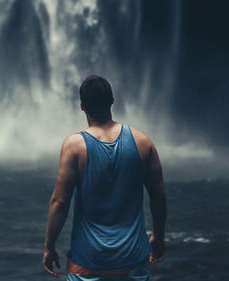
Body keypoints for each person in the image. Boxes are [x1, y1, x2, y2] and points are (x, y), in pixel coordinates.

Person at [43, 75, 167, 280]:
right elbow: (159, 195)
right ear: (112, 100)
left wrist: (49, 246)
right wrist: (159, 237)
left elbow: (60, 202)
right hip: (133, 259)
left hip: (88, 262)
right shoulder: (142, 141)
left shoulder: (74, 146)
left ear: (82, 106)